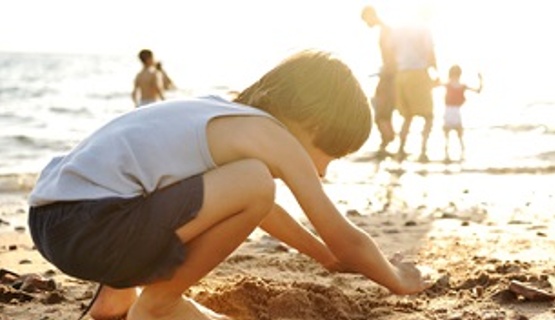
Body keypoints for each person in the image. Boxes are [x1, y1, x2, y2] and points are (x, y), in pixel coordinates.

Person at [27, 50, 433, 320]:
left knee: (198, 185)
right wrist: (397, 279)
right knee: (256, 182)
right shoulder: (271, 135)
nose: (323, 171)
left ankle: (113, 303)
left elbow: (253, 208)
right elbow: (342, 235)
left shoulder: (220, 114)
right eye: (330, 153)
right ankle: (160, 303)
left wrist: (322, 256)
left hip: (53, 219)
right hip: (95, 226)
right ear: (313, 124)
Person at [391, 15, 438, 162]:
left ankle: (400, 150)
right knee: (428, 116)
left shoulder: (397, 28)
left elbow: (391, 50)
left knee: (407, 116)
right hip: (418, 73)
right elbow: (430, 52)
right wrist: (436, 72)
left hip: (401, 74)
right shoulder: (423, 28)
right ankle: (423, 150)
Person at [361, 5, 397, 157]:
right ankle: (387, 143)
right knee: (383, 111)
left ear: (371, 15)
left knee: (381, 112)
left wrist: (385, 72)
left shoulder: (386, 31)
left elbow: (391, 56)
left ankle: (387, 141)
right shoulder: (386, 30)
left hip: (389, 76)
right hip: (389, 75)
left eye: (365, 20)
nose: (366, 24)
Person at [440, 65, 483, 162]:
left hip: (449, 111)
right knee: (458, 136)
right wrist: (481, 80)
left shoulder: (449, 85)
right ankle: (459, 154)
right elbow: (478, 90)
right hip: (454, 111)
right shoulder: (461, 86)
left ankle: (448, 155)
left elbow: (478, 91)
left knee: (450, 136)